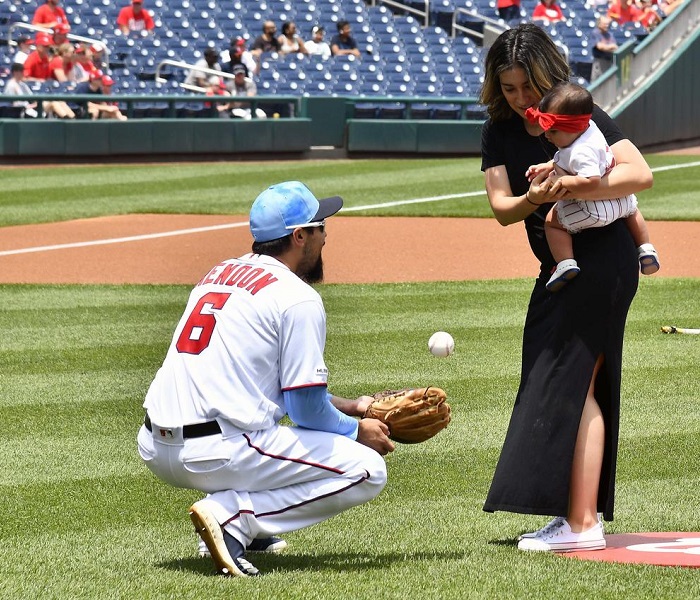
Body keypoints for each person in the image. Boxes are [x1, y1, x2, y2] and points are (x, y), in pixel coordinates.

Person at [137, 181, 394, 577]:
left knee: (268, 429)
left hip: (156, 445)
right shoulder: (297, 297)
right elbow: (305, 409)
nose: (327, 235)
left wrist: (354, 405)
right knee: (366, 469)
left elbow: (272, 386)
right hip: (217, 451)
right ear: (300, 236)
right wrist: (356, 429)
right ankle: (233, 522)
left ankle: (251, 531)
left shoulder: (219, 271)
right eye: (321, 225)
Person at [479, 23, 653, 552]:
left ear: (547, 76)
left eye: (528, 87)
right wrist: (537, 194)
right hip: (561, 265)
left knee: (575, 384)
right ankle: (572, 517)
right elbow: (503, 210)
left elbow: (639, 175)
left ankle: (582, 524)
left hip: (601, 260)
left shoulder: (579, 115)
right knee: (562, 383)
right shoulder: (498, 130)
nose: (521, 99)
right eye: (509, 88)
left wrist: (576, 184)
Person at [525, 82, 659, 291]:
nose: (547, 135)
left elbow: (590, 181)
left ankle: (565, 263)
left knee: (551, 223)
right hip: (621, 201)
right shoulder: (590, 129)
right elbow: (564, 158)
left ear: (571, 128)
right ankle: (645, 247)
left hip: (594, 210)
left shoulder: (580, 152)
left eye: (553, 131)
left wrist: (560, 181)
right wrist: (548, 165)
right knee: (632, 207)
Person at [590, 16, 618, 82]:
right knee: (598, 82)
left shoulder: (609, 34)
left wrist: (608, 47)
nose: (607, 26)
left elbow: (616, 47)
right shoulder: (595, 33)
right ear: (599, 24)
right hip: (599, 62)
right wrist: (611, 46)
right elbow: (600, 47)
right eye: (605, 24)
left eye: (608, 24)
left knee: (608, 81)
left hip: (609, 61)